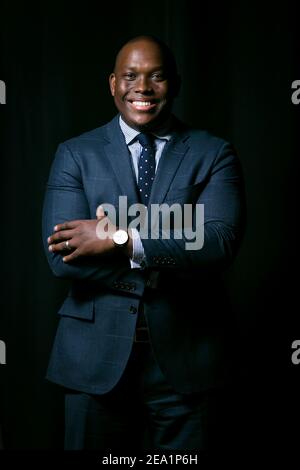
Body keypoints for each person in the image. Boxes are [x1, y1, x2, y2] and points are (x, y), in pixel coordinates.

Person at [42, 35, 245, 451]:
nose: (143, 88)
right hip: (92, 359)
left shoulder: (214, 153)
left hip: (188, 357)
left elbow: (218, 242)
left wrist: (120, 238)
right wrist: (178, 238)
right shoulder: (75, 154)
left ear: (175, 83)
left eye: (157, 77)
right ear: (113, 83)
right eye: (131, 76)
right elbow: (63, 259)